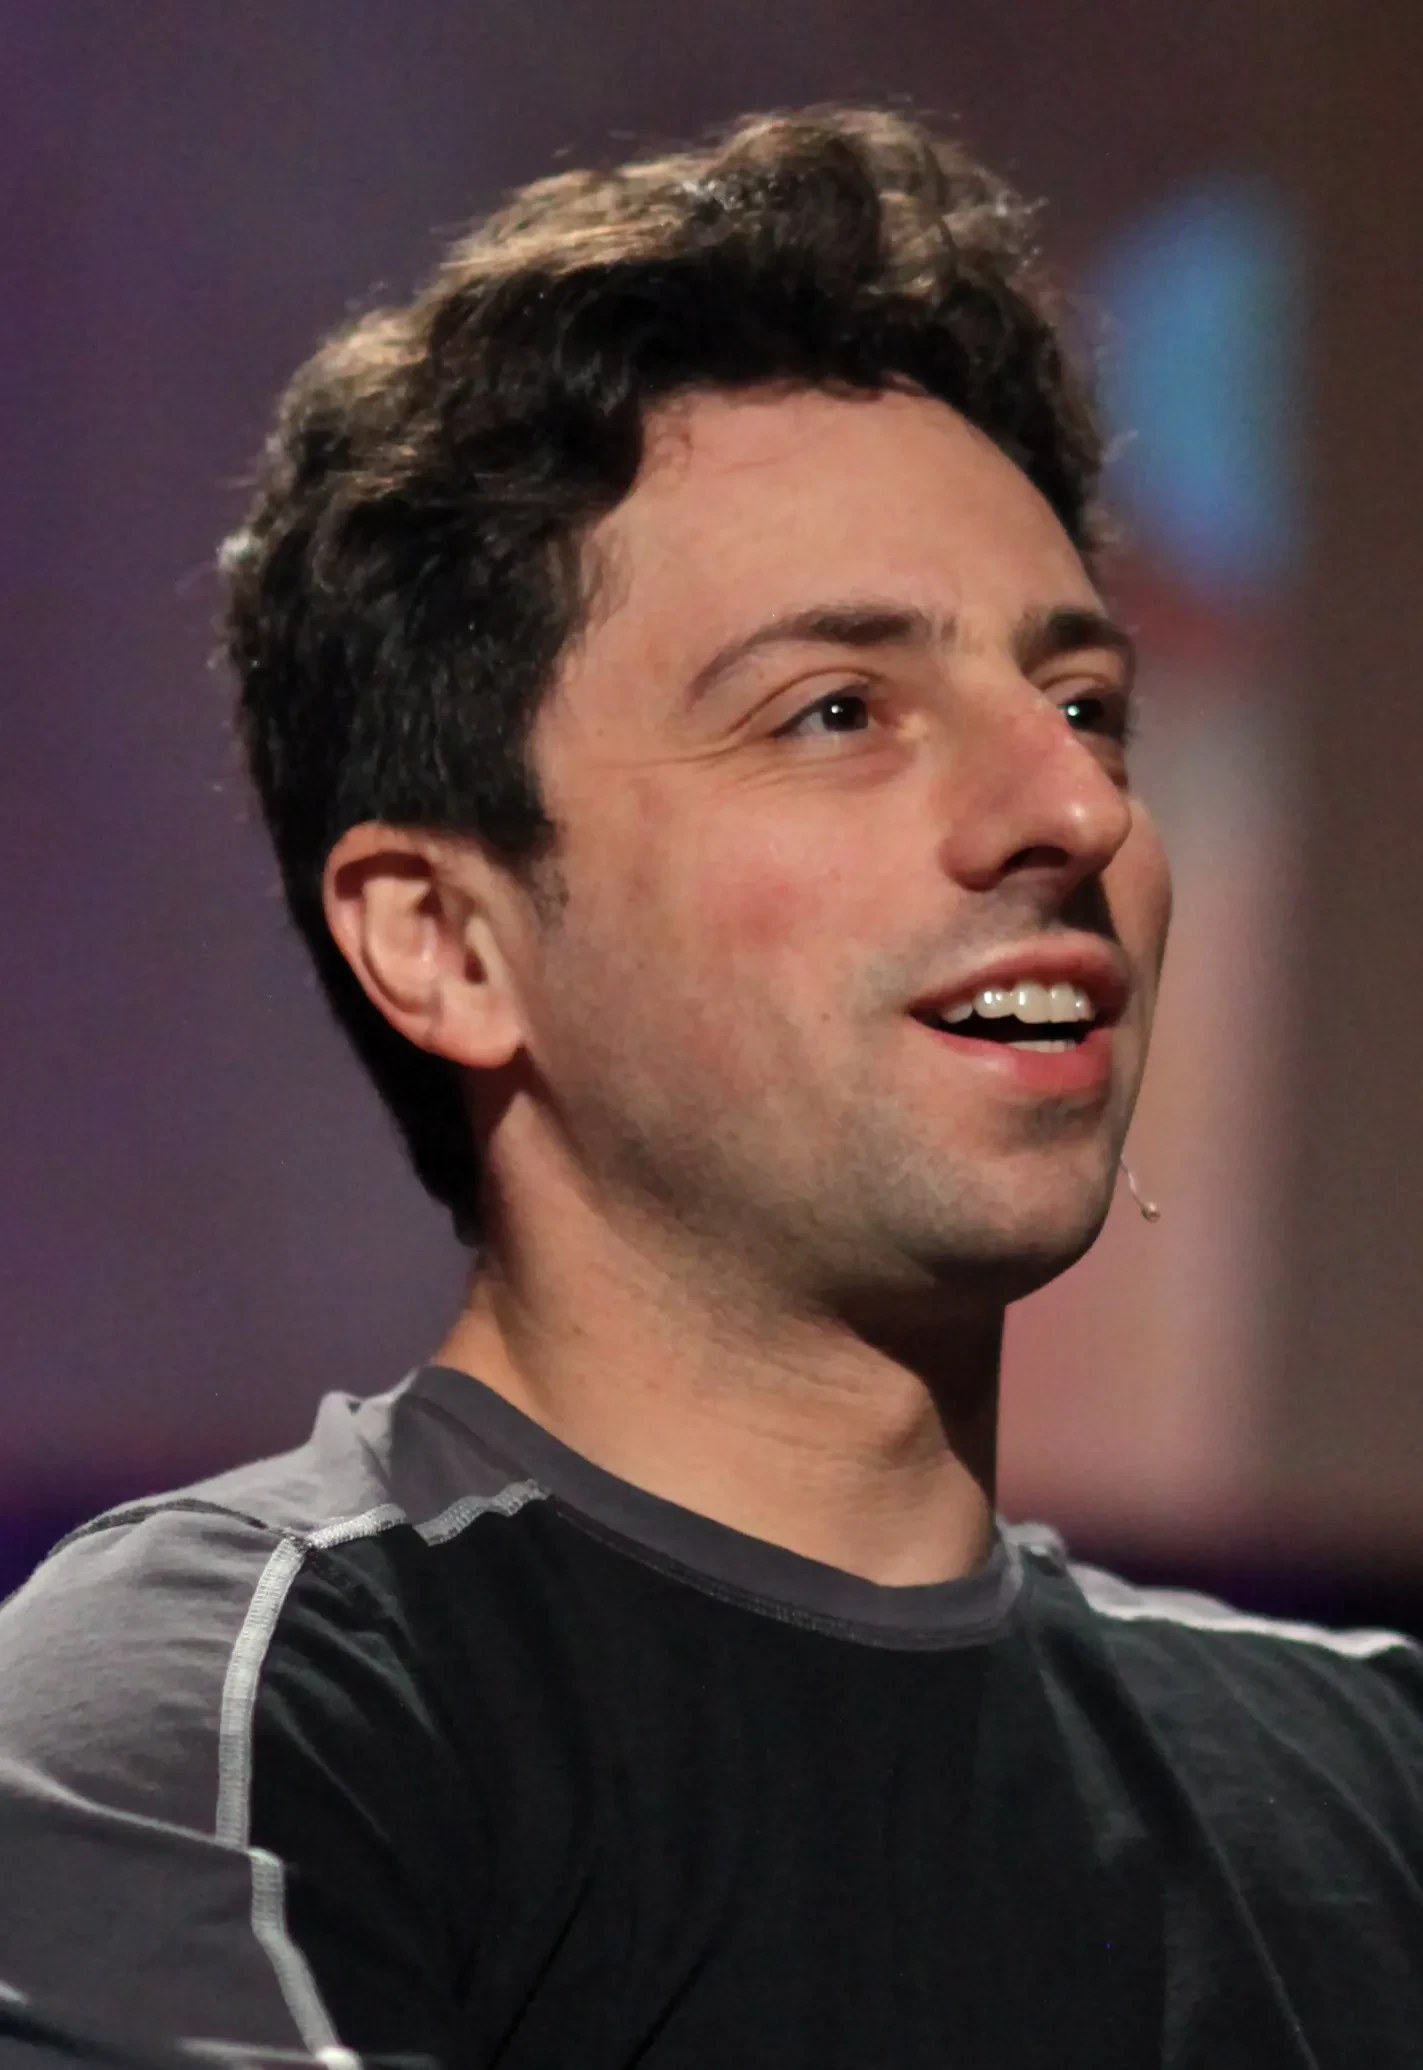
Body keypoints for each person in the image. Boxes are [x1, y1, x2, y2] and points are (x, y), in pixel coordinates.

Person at [0, 105, 1419, 2070]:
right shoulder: (226, 1722)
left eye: (1085, 703)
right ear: (446, 941)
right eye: (836, 710)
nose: (1077, 807)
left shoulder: (1365, 1785)